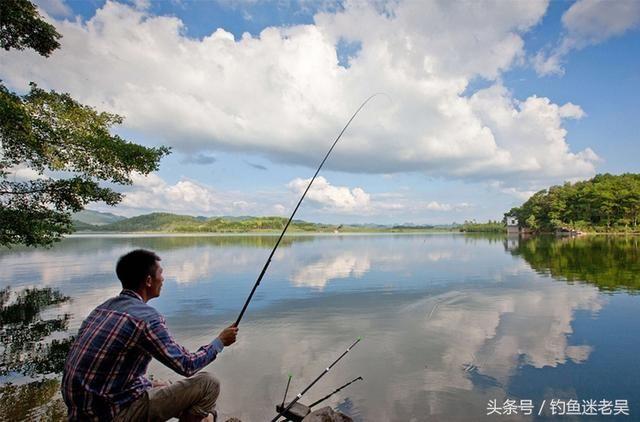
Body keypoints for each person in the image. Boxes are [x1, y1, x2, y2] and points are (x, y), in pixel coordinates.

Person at [62, 249, 238, 421]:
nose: (163, 279)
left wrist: (153, 385)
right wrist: (220, 341)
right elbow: (187, 365)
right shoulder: (146, 319)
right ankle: (205, 418)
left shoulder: (102, 309)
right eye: (160, 274)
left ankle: (203, 417)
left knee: (163, 385)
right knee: (209, 383)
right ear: (148, 280)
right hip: (112, 414)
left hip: (82, 412)